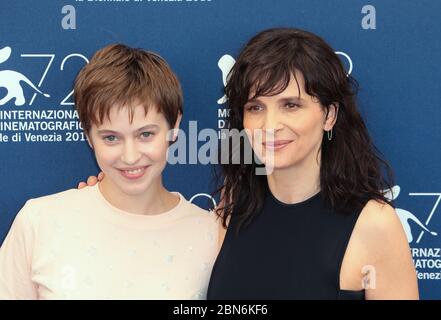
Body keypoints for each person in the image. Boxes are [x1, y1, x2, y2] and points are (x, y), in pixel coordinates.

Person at [206, 28, 418, 300]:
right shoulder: (233, 204)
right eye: (256, 107)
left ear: (329, 115)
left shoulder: (374, 223)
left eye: (291, 105)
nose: (270, 126)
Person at [0, 44, 218, 300]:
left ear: (175, 126)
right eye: (111, 138)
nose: (130, 156)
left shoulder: (211, 234)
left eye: (145, 134)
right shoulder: (39, 222)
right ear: (88, 136)